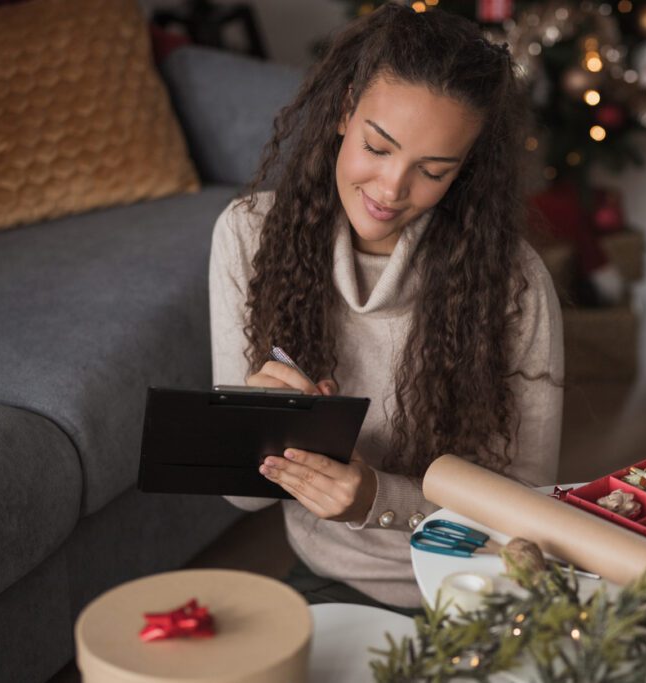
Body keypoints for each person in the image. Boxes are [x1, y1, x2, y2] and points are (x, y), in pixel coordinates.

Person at [208, 3, 564, 615]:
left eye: (432, 170)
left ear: (465, 169)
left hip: (478, 587)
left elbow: (527, 516)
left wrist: (376, 498)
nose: (392, 189)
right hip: (330, 579)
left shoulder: (513, 285)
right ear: (345, 110)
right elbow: (242, 501)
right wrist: (255, 426)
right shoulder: (249, 236)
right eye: (378, 146)